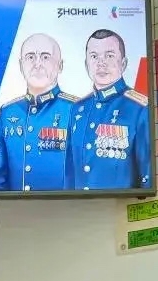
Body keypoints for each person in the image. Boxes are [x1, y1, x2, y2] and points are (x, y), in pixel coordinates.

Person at [65, 30, 152, 191]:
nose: (101, 63)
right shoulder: (77, 109)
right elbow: (70, 175)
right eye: (94, 56)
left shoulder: (139, 109)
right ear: (86, 64)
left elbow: (147, 177)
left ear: (123, 63)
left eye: (109, 56)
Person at [0, 33, 78, 192]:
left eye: (45, 57)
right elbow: (0, 176)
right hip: (14, 206)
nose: (37, 64)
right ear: (21, 65)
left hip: (64, 205)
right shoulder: (8, 111)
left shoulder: (77, 109)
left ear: (60, 65)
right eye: (30, 57)